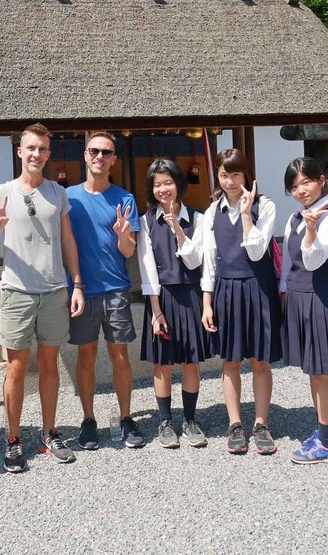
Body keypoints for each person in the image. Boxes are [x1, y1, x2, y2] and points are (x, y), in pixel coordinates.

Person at [0, 123, 85, 473]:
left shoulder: (58, 193)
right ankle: (13, 439)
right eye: (31, 148)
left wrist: (77, 283)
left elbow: (68, 241)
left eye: (42, 149)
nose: (36, 154)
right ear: (20, 152)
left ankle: (49, 431)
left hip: (54, 289)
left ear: (47, 153)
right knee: (15, 367)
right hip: (16, 290)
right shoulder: (4, 191)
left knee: (50, 363)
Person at [201, 148, 282, 455]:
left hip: (258, 288)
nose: (231, 181)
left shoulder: (266, 205)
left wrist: (247, 213)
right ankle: (235, 424)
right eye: (224, 175)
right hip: (226, 289)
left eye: (236, 174)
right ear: (217, 177)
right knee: (231, 360)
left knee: (259, 360)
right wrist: (206, 302)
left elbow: (257, 251)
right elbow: (209, 260)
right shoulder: (212, 212)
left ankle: (261, 423)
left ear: (247, 174)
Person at [67, 131, 144, 449]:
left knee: (121, 357)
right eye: (94, 151)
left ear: (114, 159)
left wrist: (123, 234)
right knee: (85, 356)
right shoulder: (68, 198)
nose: (99, 157)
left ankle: (126, 417)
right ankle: (88, 419)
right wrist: (75, 285)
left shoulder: (124, 199)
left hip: (115, 288)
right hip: (82, 289)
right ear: (85, 155)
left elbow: (129, 251)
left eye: (106, 153)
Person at [280, 156, 328, 464]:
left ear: (321, 180)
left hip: (322, 301)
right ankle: (323, 432)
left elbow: (312, 261)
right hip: (299, 299)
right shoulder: (296, 217)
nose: (301, 190)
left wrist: (310, 232)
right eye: (294, 186)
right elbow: (287, 263)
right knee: (313, 371)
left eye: (306, 182)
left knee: (323, 374)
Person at [137, 158, 208, 449]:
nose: (163, 189)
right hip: (162, 296)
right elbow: (147, 267)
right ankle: (165, 421)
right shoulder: (145, 221)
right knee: (162, 362)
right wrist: (155, 312)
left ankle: (190, 419)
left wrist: (178, 228)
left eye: (168, 183)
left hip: (190, 294)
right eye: (157, 184)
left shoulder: (198, 219)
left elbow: (196, 260)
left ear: (178, 184)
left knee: (191, 361)